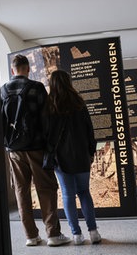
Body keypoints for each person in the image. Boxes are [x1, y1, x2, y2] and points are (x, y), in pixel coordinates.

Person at [0, 54, 70, 247]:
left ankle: (31, 236)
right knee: (46, 189)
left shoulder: (3, 90)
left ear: (13, 70)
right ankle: (53, 234)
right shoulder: (37, 88)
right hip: (37, 147)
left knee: (21, 191)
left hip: (13, 150)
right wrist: (50, 146)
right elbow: (46, 119)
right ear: (27, 69)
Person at [43, 70, 101, 245]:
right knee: (84, 192)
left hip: (61, 159)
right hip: (81, 156)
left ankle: (76, 235)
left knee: (68, 195)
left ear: (52, 84)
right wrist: (91, 152)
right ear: (69, 82)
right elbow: (90, 130)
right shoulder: (79, 103)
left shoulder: (50, 105)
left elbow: (47, 134)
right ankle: (94, 232)